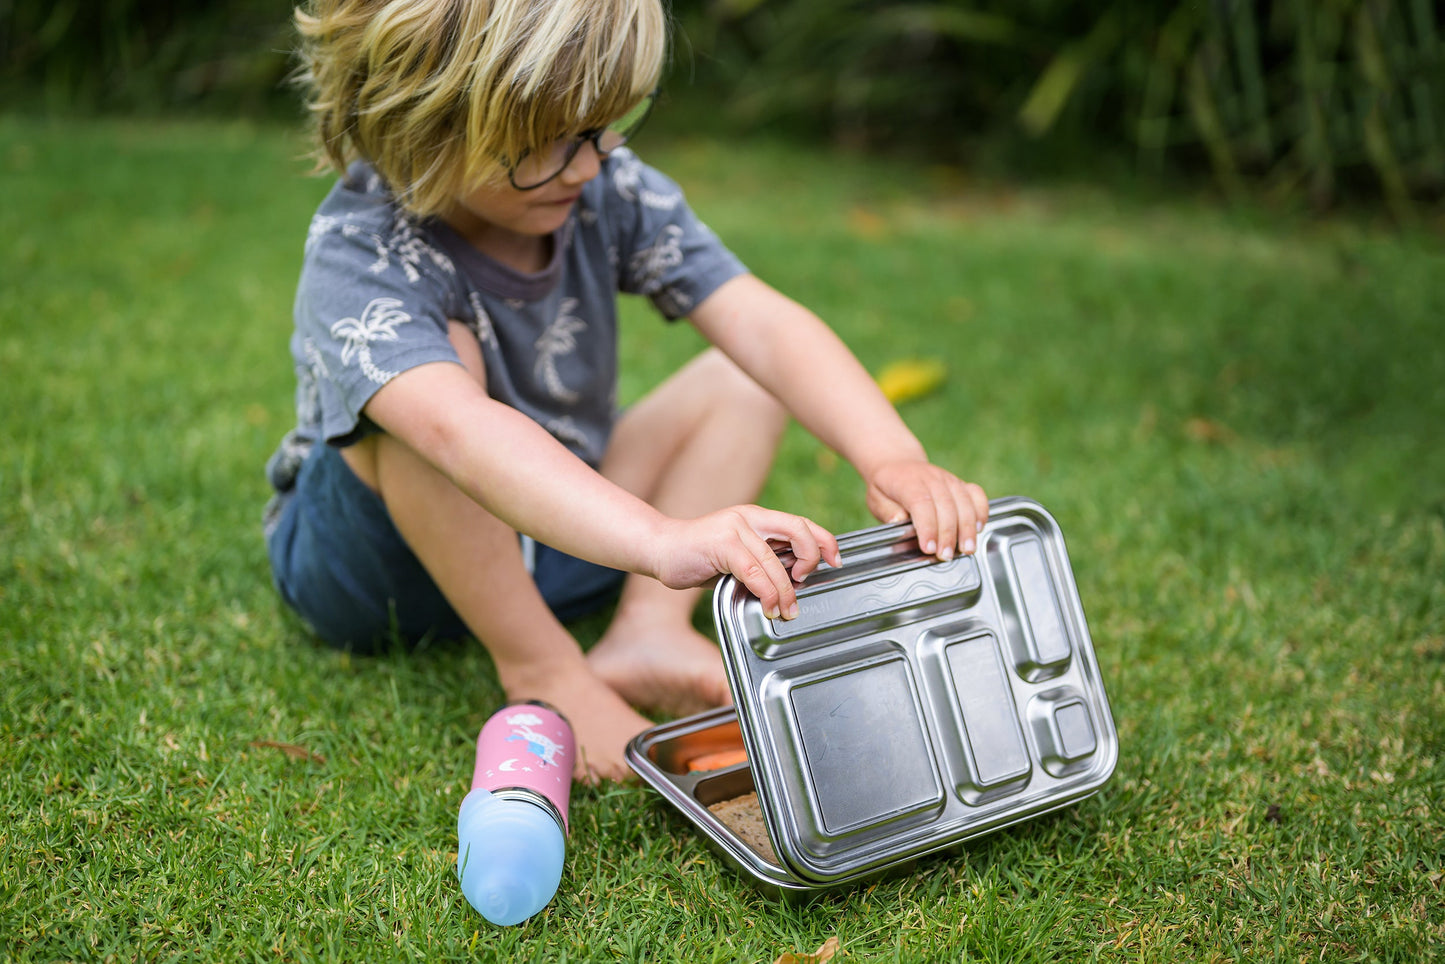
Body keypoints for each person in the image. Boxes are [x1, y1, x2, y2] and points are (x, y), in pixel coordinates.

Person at [264, 0, 989, 782]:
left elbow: (760, 324)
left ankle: (647, 630)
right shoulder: (361, 252)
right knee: (420, 410)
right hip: (376, 574)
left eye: (606, 125)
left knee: (739, 377)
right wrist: (659, 540)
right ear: (418, 125)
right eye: (541, 143)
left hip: (555, 535)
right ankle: (544, 668)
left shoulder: (601, 184)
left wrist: (892, 456)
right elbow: (456, 433)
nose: (586, 164)